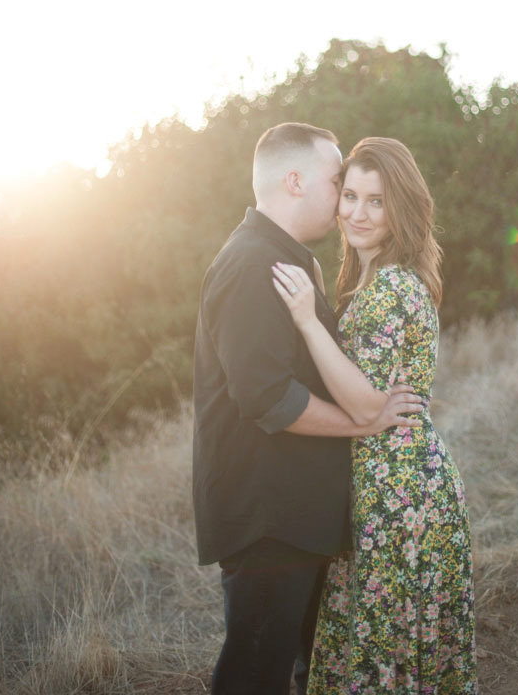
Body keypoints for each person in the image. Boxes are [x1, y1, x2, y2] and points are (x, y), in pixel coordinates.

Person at [192, 122, 425, 695]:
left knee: (295, 671)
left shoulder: (284, 258)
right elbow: (267, 396)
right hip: (268, 516)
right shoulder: (253, 265)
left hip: (292, 514)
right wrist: (363, 422)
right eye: (335, 180)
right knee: (254, 675)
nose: (342, 196)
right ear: (294, 181)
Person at [273, 136, 478, 694]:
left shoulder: (389, 286)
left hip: (401, 496)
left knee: (383, 652)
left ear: (400, 209)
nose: (357, 213)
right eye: (351, 196)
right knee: (386, 651)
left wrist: (308, 322)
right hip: (388, 486)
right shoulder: (369, 282)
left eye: (377, 201)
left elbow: (366, 406)